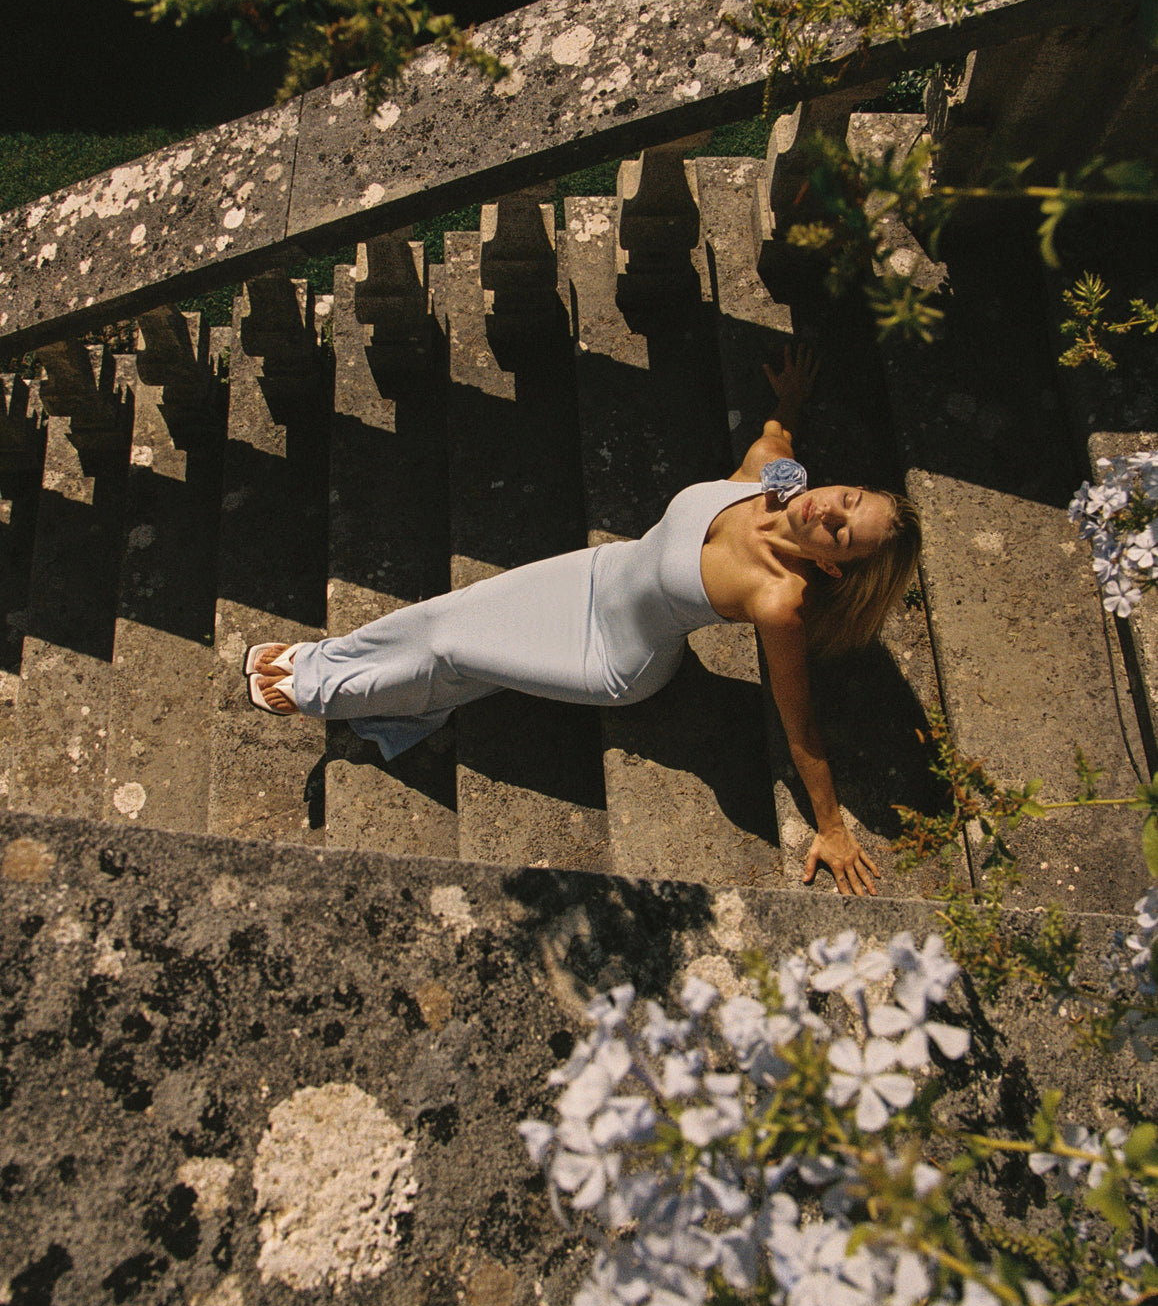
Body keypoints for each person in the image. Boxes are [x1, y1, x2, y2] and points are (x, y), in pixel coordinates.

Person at [246, 346, 921, 896]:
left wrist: (830, 825)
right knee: (444, 614)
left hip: (612, 657)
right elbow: (778, 433)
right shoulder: (779, 480)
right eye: (848, 498)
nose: (828, 512)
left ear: (834, 567)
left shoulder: (780, 600)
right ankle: (325, 658)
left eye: (842, 533)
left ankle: (317, 689)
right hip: (593, 573)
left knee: (455, 649)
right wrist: (791, 396)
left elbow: (797, 719)